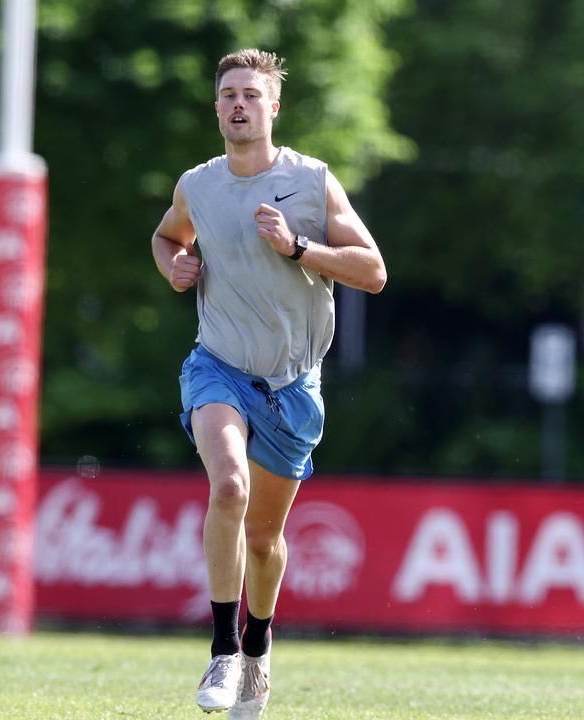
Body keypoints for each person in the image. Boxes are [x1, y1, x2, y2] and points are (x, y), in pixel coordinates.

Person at [151, 49, 386, 718]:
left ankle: (257, 649)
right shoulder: (198, 184)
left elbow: (372, 271)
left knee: (263, 539)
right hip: (217, 365)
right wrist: (175, 267)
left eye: (252, 94)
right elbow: (166, 238)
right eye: (228, 94)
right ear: (216, 106)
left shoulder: (311, 182)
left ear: (273, 107)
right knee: (227, 487)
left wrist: (299, 249)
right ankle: (223, 649)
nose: (238, 104)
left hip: (292, 385)